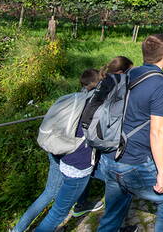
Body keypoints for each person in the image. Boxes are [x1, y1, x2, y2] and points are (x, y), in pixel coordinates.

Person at [96, 34, 163, 232]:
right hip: (135, 162)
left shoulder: (129, 74)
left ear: (144, 54)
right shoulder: (160, 85)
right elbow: (157, 131)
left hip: (110, 158)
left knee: (112, 215)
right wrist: (161, 173)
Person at [11, 68, 101, 232]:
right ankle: (79, 206)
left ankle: (17, 229)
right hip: (72, 156)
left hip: (55, 147)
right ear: (98, 84)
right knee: (58, 208)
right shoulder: (91, 105)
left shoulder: (71, 99)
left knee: (49, 193)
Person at [70, 56, 135, 217]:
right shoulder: (116, 84)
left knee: (92, 170)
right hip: (103, 138)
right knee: (115, 182)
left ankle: (82, 203)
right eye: (130, 71)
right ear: (121, 72)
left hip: (89, 137)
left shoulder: (103, 84)